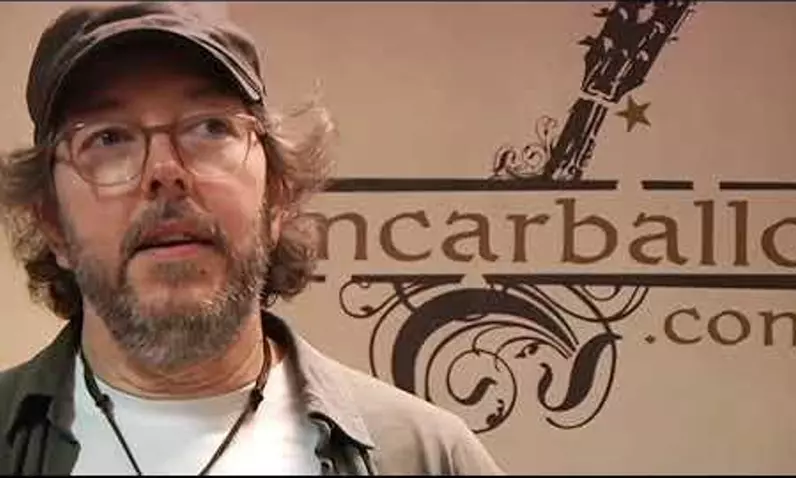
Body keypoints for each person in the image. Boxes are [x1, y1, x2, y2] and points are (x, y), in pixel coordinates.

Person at [0, 2, 504, 475]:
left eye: (210, 128)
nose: (165, 171)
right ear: (52, 223)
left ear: (277, 197)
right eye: (108, 138)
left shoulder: (428, 456)